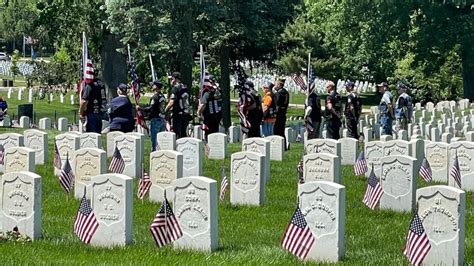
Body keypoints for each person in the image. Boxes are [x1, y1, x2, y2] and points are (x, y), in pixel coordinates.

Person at [138, 80, 167, 151]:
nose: (151, 86)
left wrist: (140, 108)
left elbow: (151, 108)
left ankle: (154, 153)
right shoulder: (162, 96)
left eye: (153, 85)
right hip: (162, 119)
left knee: (154, 139)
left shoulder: (155, 97)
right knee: (161, 140)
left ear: (156, 87)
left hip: (156, 119)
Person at [165, 72, 190, 139]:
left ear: (174, 79)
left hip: (178, 114)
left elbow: (172, 102)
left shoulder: (175, 88)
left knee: (177, 134)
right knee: (184, 133)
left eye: (171, 79)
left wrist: (165, 110)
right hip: (186, 114)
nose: (170, 81)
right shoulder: (184, 87)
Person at [197, 74, 222, 139]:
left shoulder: (207, 92)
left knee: (208, 134)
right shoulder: (218, 90)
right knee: (215, 133)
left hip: (209, 116)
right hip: (217, 114)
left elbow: (203, 104)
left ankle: (208, 147)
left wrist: (199, 113)